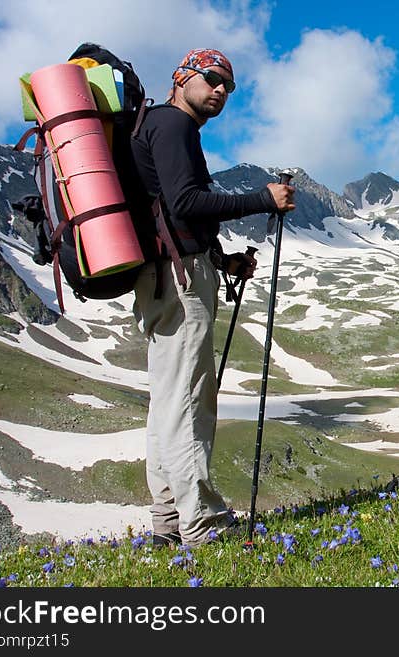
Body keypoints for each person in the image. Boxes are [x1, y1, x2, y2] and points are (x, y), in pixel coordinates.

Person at [129, 48, 295, 548]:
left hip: (163, 273)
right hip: (180, 281)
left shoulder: (156, 127)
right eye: (212, 79)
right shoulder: (174, 125)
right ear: (182, 78)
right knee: (188, 401)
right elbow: (186, 201)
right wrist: (262, 199)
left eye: (229, 85)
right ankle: (201, 523)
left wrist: (221, 260)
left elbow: (175, 212)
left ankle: (168, 522)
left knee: (169, 399)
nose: (221, 89)